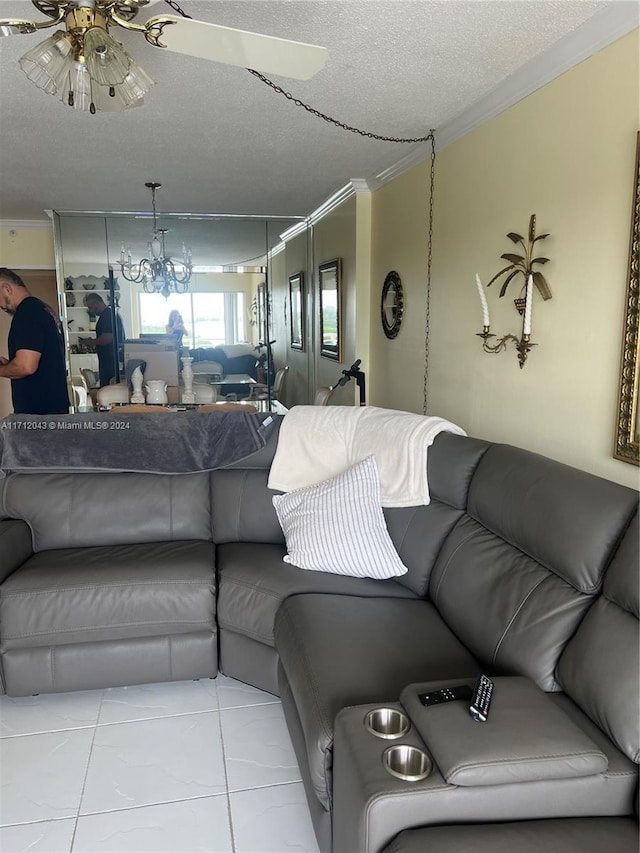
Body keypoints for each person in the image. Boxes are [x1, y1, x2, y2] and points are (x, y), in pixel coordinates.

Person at [0, 267, 70, 415]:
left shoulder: (26, 314)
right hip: (54, 408)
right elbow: (41, 360)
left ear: (6, 288)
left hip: (38, 414)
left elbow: (26, 367)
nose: (0, 306)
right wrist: (10, 365)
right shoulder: (44, 310)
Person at [80, 293, 125, 387]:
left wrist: (92, 342)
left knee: (109, 390)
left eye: (90, 307)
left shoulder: (107, 316)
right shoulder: (109, 314)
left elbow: (108, 338)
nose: (90, 310)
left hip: (110, 362)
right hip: (111, 360)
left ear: (96, 303)